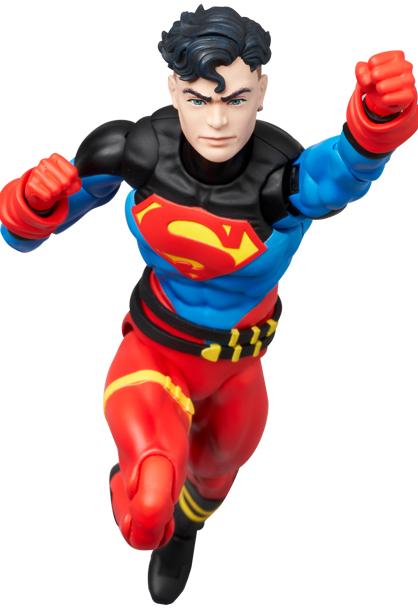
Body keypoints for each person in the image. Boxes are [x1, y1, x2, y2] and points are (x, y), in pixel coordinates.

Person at [0, 4, 416, 605]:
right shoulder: (134, 150)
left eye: (236, 99)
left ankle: (184, 531)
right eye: (198, 99)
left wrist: (376, 121)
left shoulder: (279, 182)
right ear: (174, 90)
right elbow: (25, 232)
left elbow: (342, 171)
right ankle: (148, 500)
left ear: (262, 92)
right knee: (149, 505)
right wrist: (31, 202)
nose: (218, 121)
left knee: (215, 476)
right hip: (157, 352)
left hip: (238, 369)